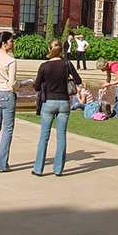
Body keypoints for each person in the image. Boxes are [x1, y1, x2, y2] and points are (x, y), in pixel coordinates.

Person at [32, 39, 81, 176]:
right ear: (61, 51)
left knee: (44, 136)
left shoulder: (44, 66)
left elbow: (37, 86)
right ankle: (58, 169)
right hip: (64, 101)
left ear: (49, 49)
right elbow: (78, 80)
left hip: (49, 101)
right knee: (61, 137)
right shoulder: (67, 63)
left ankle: (38, 168)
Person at [0, 31, 25, 173]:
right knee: (7, 130)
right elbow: (12, 84)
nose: (12, 43)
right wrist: (24, 84)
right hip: (6, 94)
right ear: (4, 44)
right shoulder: (11, 60)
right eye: (11, 41)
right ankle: (1, 164)